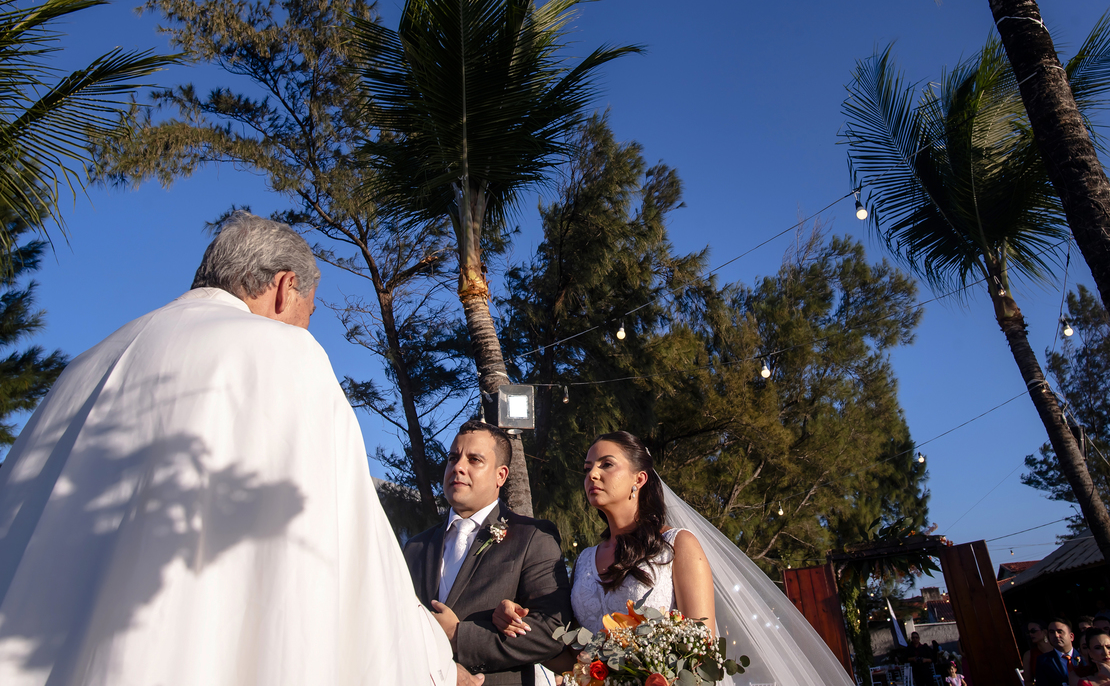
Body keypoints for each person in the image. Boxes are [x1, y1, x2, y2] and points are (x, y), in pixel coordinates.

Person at [0, 212, 475, 686]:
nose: (307, 329)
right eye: (309, 314)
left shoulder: (82, 367)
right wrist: (433, 662)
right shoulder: (284, 354)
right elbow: (352, 559)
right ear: (285, 287)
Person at [493, 430, 855, 686]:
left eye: (606, 465)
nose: (592, 474)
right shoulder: (584, 560)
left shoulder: (678, 546)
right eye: (587, 468)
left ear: (639, 478)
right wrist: (523, 627)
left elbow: (704, 647)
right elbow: (572, 655)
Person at [404, 420, 571, 685]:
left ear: (500, 476)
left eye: (474, 460)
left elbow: (551, 631)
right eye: (453, 458)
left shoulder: (532, 537)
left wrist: (459, 636)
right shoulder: (415, 547)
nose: (458, 467)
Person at [1036, 618, 1083, 686]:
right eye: (1052, 632)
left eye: (1060, 632)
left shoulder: (1084, 655)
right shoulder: (1043, 660)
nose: (1056, 635)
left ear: (1071, 636)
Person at [1025, 619, 1056, 685]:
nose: (1030, 634)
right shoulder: (1029, 655)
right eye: (1028, 632)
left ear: (1045, 631)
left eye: (1033, 631)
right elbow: (1027, 682)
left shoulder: (1057, 649)